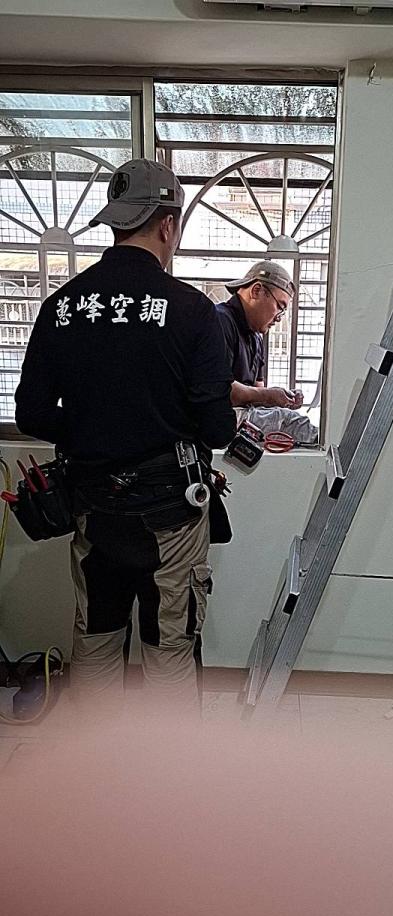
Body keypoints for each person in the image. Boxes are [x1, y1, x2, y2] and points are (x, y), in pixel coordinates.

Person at [15, 158, 237, 715]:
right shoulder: (192, 311)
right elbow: (216, 427)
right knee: (169, 643)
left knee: (96, 638)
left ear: (115, 222)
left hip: (94, 507)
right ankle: (166, 763)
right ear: (168, 225)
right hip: (171, 512)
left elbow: (32, 413)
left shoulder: (62, 307)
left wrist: (92, 430)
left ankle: (97, 759)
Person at [215, 262, 318, 445]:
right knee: (292, 422)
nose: (279, 318)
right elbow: (220, 389)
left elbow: (256, 391)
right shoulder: (219, 321)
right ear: (256, 291)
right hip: (216, 416)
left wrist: (281, 398)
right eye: (279, 306)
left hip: (241, 413)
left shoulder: (255, 336)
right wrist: (268, 396)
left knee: (290, 417)